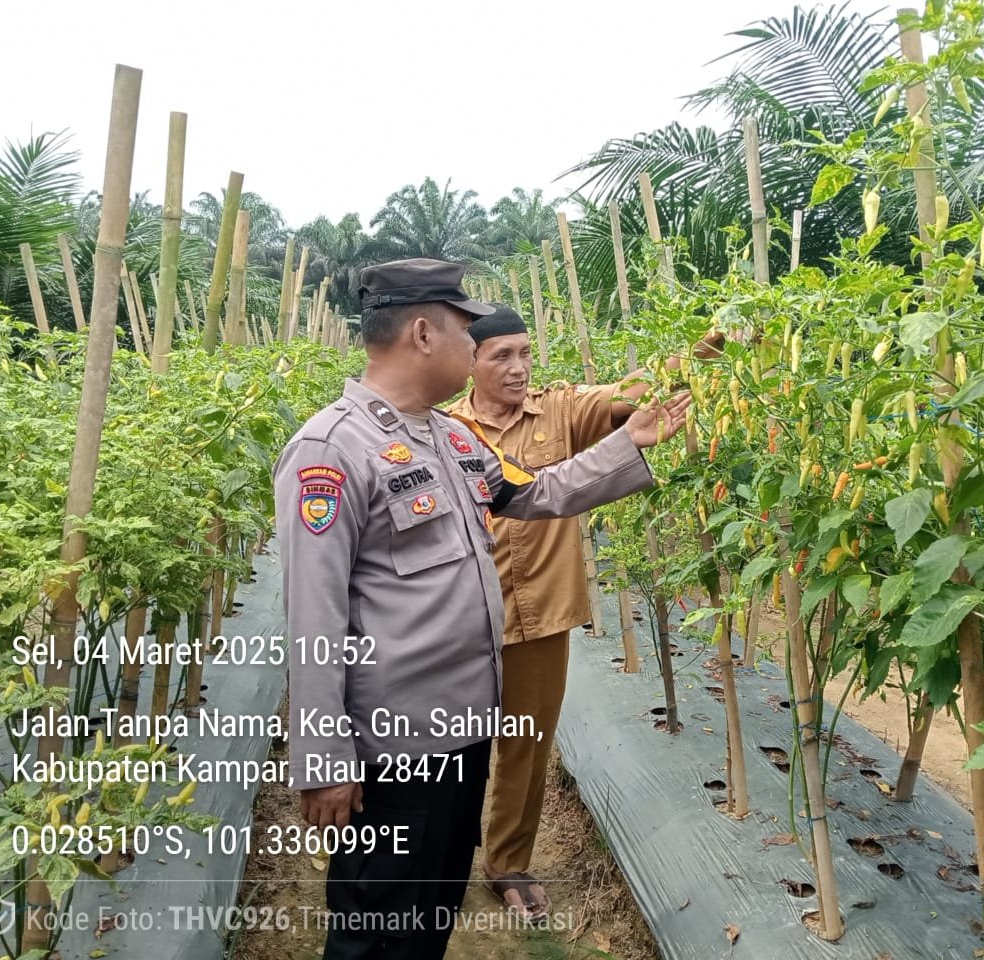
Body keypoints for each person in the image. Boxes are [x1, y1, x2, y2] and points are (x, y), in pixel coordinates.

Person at [272, 258, 689, 960]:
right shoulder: (332, 449)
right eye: (469, 330)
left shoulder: (452, 438)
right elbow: (313, 618)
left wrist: (629, 443)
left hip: (460, 732)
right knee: (379, 922)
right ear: (425, 333)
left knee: (429, 911)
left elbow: (535, 493)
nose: (479, 346)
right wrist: (323, 761)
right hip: (393, 750)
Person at [447, 305, 715, 920]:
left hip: (541, 612)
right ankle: (443, 848)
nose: (518, 369)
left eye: (524, 353)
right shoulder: (443, 427)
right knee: (453, 740)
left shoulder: (563, 409)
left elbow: (639, 388)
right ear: (470, 363)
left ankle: (507, 860)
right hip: (462, 614)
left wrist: (705, 348)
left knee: (526, 742)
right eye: (501, 356)